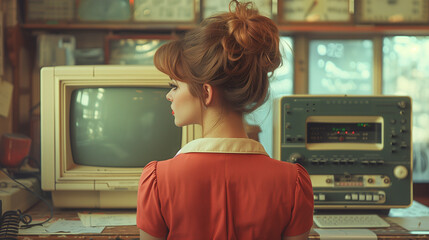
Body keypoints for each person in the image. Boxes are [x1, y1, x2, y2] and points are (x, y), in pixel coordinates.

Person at [136, 1, 314, 239]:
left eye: (174, 86)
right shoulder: (293, 182)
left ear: (206, 93)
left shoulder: (158, 179)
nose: (169, 95)